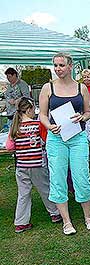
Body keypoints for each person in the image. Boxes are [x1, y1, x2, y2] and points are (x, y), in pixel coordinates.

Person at [39, 52, 90, 235]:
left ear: (71, 66)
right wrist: (49, 126)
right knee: (58, 179)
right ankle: (67, 222)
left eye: (62, 65)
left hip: (78, 137)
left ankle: (88, 217)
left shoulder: (82, 88)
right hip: (56, 140)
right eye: (55, 65)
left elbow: (88, 112)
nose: (58, 69)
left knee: (82, 177)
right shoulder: (48, 88)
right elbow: (41, 114)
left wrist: (83, 116)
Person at [6, 97, 62, 233]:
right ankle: (55, 213)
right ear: (29, 110)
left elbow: (9, 147)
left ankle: (21, 222)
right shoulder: (38, 125)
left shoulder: (15, 127)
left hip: (21, 166)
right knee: (45, 189)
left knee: (23, 194)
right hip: (37, 164)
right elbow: (46, 140)